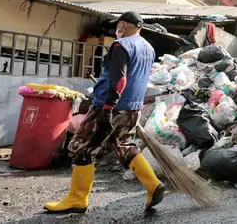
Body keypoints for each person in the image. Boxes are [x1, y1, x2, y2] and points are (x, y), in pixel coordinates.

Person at [45, 11, 164, 213]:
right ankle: (153, 185)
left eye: (118, 25)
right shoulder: (149, 48)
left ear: (124, 25)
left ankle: (77, 199)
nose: (117, 29)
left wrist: (106, 110)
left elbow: (120, 79)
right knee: (124, 145)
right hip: (133, 107)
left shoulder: (121, 45)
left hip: (110, 106)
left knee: (81, 147)